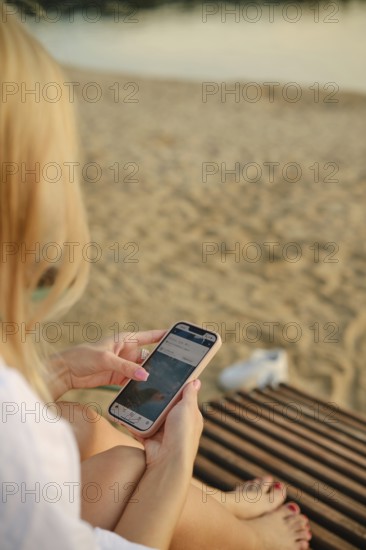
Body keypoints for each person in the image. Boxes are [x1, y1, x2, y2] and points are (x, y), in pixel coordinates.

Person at [0, 6, 311, 550]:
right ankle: (256, 543)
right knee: (125, 468)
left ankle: (221, 507)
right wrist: (175, 464)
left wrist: (63, 369)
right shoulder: (21, 444)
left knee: (78, 421)